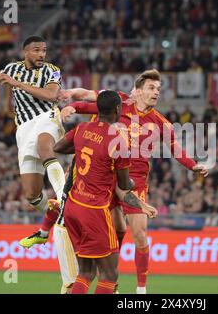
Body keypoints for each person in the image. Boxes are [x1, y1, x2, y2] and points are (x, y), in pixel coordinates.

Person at [42, 69, 209, 294]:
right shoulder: (120, 103)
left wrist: (192, 165)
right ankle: (109, 277)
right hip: (109, 179)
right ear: (138, 91)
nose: (156, 92)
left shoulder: (161, 122)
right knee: (117, 228)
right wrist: (73, 105)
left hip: (135, 182)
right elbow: (92, 103)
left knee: (140, 235)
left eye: (159, 89)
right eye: (151, 88)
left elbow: (175, 148)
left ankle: (141, 289)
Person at [0, 36, 72, 292]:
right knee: (32, 195)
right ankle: (53, 211)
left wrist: (17, 84)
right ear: (25, 52)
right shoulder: (12, 68)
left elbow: (50, 95)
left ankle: (62, 195)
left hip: (46, 118)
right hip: (23, 129)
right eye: (36, 50)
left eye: (44, 49)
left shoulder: (51, 70)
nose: (41, 54)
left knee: (46, 145)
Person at [53, 90, 157, 294]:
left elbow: (58, 147)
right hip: (94, 211)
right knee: (109, 275)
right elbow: (125, 185)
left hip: (73, 207)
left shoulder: (82, 128)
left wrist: (81, 150)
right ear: (118, 109)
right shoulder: (118, 142)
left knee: (85, 273)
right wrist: (137, 183)